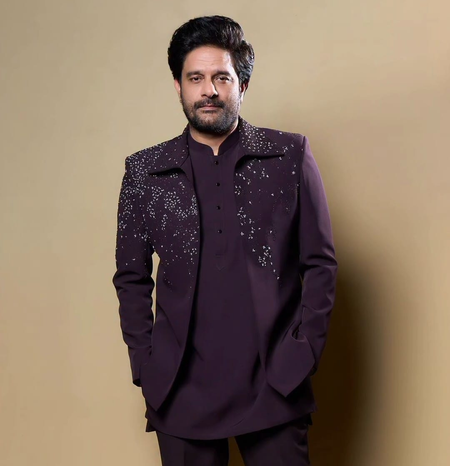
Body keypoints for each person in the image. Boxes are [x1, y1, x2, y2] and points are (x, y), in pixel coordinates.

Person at [112, 15, 338, 466]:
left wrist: (303, 351)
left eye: (222, 77)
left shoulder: (288, 155)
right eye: (195, 78)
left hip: (274, 382)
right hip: (179, 389)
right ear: (178, 86)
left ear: (242, 85)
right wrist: (146, 363)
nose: (208, 90)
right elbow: (131, 277)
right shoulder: (144, 172)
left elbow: (320, 264)